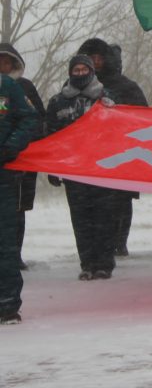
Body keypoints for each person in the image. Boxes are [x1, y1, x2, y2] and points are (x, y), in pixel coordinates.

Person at [46, 55, 118, 280]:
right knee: (81, 219)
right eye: (75, 70)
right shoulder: (58, 102)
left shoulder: (106, 98)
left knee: (104, 218)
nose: (79, 73)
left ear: (92, 72)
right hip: (73, 170)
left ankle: (105, 263)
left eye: (83, 69)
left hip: (102, 168)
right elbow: (52, 136)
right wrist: (53, 167)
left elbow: (118, 131)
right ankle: (87, 263)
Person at [77, 38, 147, 256]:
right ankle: (96, 245)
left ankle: (119, 242)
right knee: (90, 204)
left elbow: (142, 118)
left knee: (121, 201)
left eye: (99, 57)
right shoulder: (75, 87)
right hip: (88, 155)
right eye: (92, 58)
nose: (96, 62)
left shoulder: (126, 87)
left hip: (120, 152)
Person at [0, 44, 45, 270]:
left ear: (14, 64)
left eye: (6, 62)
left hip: (20, 163)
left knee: (15, 213)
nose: (2, 67)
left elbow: (36, 120)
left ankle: (14, 255)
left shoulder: (23, 88)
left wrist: (13, 146)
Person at [0, 70, 39, 325]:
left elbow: (29, 120)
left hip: (3, 176)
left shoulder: (7, 86)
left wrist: (10, 147)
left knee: (5, 242)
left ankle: (7, 303)